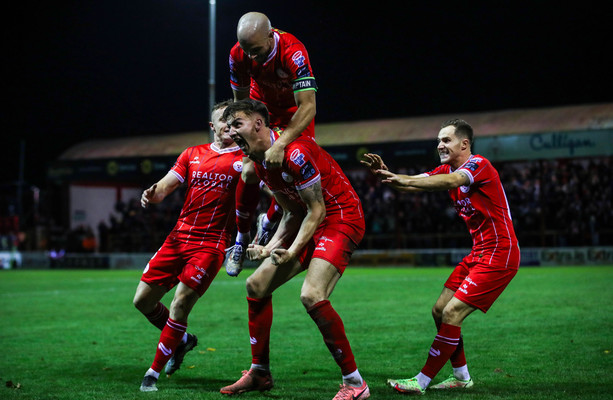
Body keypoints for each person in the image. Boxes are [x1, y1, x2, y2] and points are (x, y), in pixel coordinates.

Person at [219, 99, 370, 400]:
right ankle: (260, 372)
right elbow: (290, 212)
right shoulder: (262, 161)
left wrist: (291, 251)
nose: (229, 131)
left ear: (258, 124)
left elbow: (316, 210)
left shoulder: (295, 154)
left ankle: (355, 383)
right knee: (256, 284)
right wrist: (269, 246)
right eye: (228, 126)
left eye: (237, 124)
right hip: (310, 219)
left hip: (340, 217)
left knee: (311, 294)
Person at [361, 118, 521, 395]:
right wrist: (386, 175)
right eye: (438, 140)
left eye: (446, 140)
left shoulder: (478, 165)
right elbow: (411, 185)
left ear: (464, 143)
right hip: (478, 252)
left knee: (452, 312)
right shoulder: (444, 169)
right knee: (439, 311)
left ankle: (421, 381)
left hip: (500, 252)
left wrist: (403, 178)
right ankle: (461, 376)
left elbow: (449, 181)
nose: (440, 145)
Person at [133, 100, 244, 392]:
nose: (228, 126)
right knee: (142, 301)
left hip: (211, 245)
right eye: (223, 121)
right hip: (178, 238)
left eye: (234, 121)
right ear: (213, 126)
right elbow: (167, 185)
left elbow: (267, 188)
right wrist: (152, 194)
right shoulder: (192, 154)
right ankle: (182, 341)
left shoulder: (246, 160)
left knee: (180, 304)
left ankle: (152, 374)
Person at [225, 11, 318, 277]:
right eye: (246, 51)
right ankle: (242, 240)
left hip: (293, 112)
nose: (251, 56)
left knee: (289, 171)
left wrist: (281, 143)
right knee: (249, 171)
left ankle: (267, 221)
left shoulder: (294, 51)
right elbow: (241, 105)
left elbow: (308, 106)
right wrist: (236, 131)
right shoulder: (238, 54)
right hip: (261, 108)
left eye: (256, 50)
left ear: (270, 34)